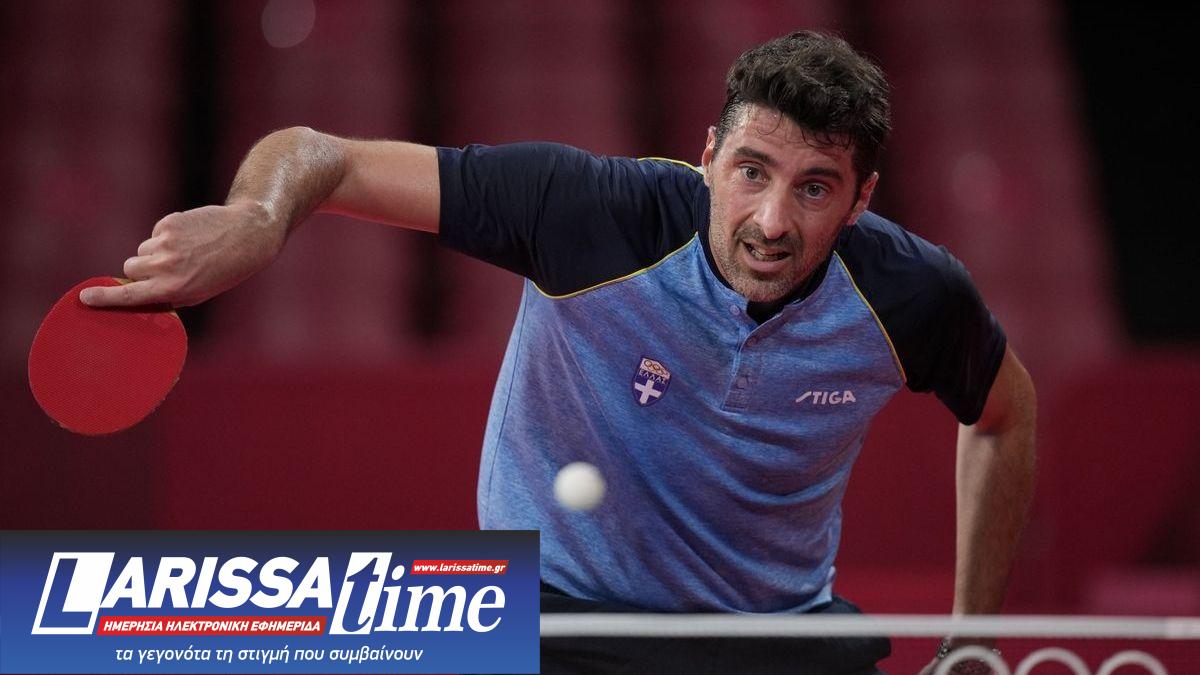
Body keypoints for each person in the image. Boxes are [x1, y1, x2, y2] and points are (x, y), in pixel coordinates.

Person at [83, 31, 1036, 675]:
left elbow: (1004, 415)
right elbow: (321, 151)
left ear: (863, 199)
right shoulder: (589, 216)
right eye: (752, 172)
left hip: (772, 633)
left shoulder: (909, 295)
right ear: (709, 154)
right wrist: (261, 214)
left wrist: (973, 636)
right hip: (554, 619)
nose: (772, 220)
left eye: (816, 188)